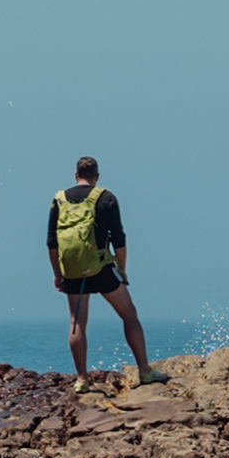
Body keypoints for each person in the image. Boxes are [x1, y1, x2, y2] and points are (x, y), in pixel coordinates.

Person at [46, 152, 149, 377]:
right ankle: (144, 370)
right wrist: (121, 269)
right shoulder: (106, 197)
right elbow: (119, 238)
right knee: (129, 315)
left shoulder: (59, 199)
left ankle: (82, 378)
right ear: (97, 177)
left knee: (77, 322)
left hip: (72, 270)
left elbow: (51, 242)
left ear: (76, 175)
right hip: (102, 269)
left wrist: (57, 274)